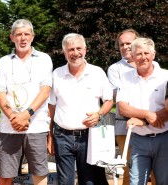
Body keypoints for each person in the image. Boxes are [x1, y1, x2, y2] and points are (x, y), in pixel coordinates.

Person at [47, 33, 114, 185]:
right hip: (62, 136)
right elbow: (51, 106)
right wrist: (50, 135)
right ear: (64, 52)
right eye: (71, 49)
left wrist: (98, 114)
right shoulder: (56, 74)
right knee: (65, 182)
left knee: (89, 181)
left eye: (79, 48)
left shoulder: (97, 72)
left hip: (89, 137)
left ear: (85, 49)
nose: (75, 53)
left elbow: (109, 100)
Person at [0, 19, 53, 185]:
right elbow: (0, 94)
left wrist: (26, 115)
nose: (23, 38)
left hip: (36, 126)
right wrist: (14, 117)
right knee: (5, 175)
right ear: (11, 37)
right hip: (9, 127)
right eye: (19, 34)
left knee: (39, 173)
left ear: (32, 36)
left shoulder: (44, 59)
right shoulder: (4, 61)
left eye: (26, 34)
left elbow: (45, 91)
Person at [117, 37, 168, 185]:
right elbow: (122, 107)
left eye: (146, 53)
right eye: (138, 54)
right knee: (136, 182)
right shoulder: (125, 78)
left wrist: (142, 120)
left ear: (153, 54)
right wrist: (147, 114)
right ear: (132, 57)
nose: (143, 57)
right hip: (139, 140)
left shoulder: (165, 76)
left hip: (164, 139)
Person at [107, 28, 141, 185]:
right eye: (121, 44)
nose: (125, 47)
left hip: (151, 126)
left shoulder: (152, 64)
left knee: (156, 169)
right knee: (128, 168)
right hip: (124, 126)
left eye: (129, 43)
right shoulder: (115, 69)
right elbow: (119, 98)